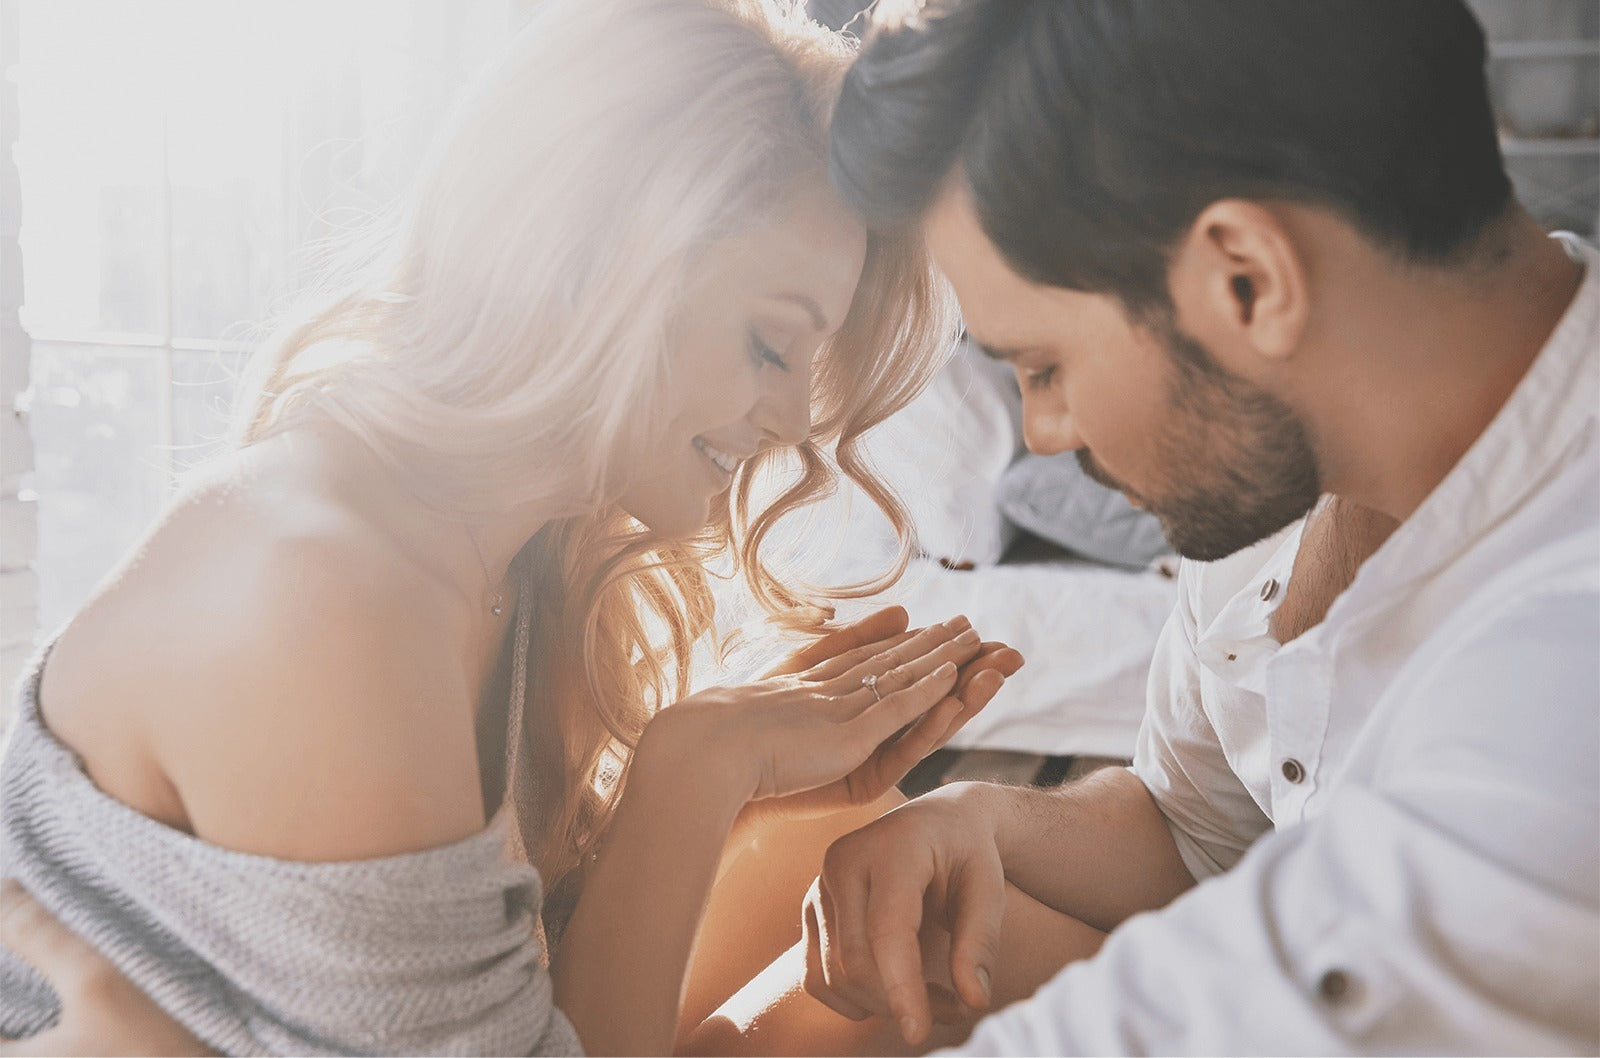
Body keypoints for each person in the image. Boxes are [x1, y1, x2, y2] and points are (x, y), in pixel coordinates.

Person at [0, 1, 1026, 1054]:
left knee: (915, 891)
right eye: (772, 345)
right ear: (586, 272)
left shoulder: (522, 548)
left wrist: (736, 773)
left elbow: (540, 990)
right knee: (928, 959)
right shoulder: (325, 594)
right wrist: (697, 768)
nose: (795, 418)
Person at [690, 0, 1599, 1052]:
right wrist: (981, 814)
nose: (1040, 434)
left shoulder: (1557, 672)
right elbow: (1200, 824)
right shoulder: (1295, 463)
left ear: (1245, 281)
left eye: (1043, 367)